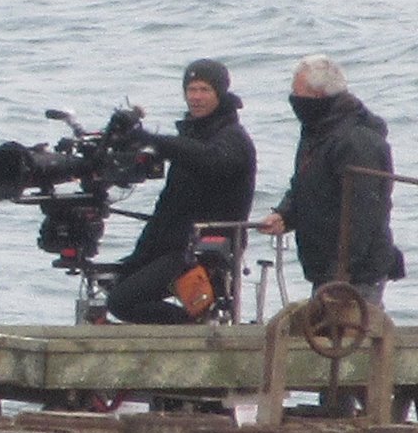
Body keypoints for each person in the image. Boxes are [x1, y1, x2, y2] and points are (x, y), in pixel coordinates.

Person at [105, 59, 256, 325]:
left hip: (204, 250)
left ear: (220, 93)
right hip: (171, 244)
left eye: (204, 90)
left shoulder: (233, 137)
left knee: (122, 302)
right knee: (115, 284)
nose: (196, 97)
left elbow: (211, 160)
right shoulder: (191, 135)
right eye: (191, 90)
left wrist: (156, 141)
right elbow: (169, 206)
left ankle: (192, 329)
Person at [258, 54, 401, 301]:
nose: (293, 100)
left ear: (318, 95)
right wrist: (285, 214)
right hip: (325, 269)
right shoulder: (317, 130)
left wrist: (341, 271)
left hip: (355, 274)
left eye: (298, 93)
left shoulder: (356, 140)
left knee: (353, 324)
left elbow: (364, 213)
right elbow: (306, 184)